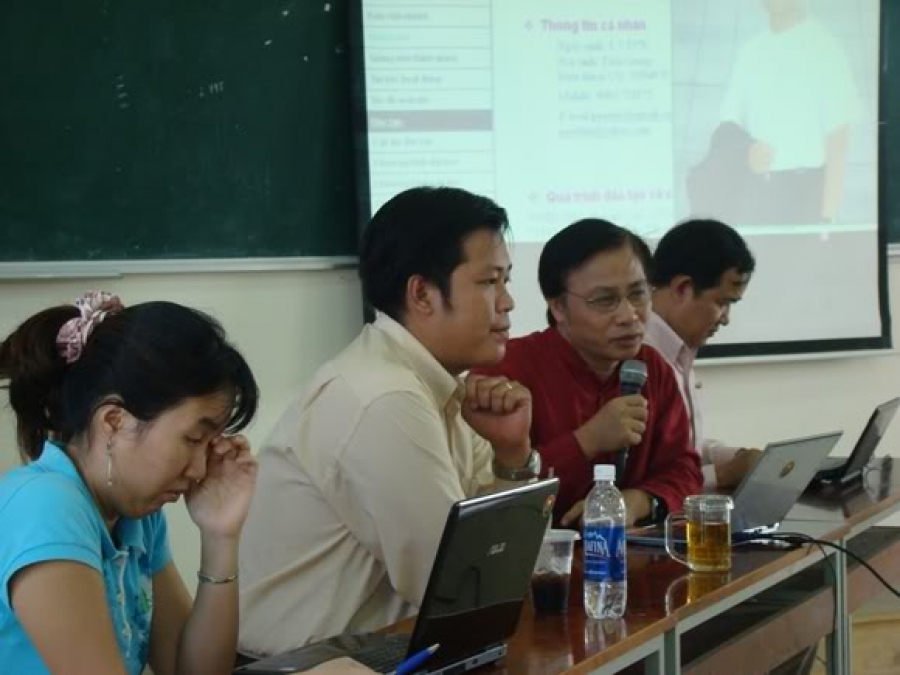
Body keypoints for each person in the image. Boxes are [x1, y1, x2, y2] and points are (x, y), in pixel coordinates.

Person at [239, 187, 538, 656]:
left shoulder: (437, 386)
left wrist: (511, 455)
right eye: (489, 282)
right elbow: (459, 589)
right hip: (301, 666)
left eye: (507, 280)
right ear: (422, 294)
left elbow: (494, 565)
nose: (508, 302)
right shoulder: (383, 397)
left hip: (376, 653)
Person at [0, 292, 260, 675]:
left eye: (210, 444)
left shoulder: (136, 514)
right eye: (193, 439)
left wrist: (221, 537)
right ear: (114, 422)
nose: (200, 469)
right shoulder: (46, 507)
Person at [477, 219, 702, 527]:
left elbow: (684, 469)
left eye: (638, 294)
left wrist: (635, 501)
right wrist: (585, 441)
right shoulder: (506, 371)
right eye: (605, 300)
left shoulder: (652, 368)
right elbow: (486, 489)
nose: (629, 315)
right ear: (559, 307)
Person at [697, 0, 861, 224]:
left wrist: (827, 219)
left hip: (805, 194)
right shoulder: (750, 52)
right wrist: (747, 151)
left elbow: (838, 143)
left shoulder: (825, 48)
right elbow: (729, 125)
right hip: (757, 194)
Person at [645, 219, 760, 489]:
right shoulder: (637, 358)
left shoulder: (679, 351)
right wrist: (724, 474)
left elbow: (682, 447)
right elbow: (645, 476)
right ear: (682, 287)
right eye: (722, 302)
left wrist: (735, 456)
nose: (726, 318)